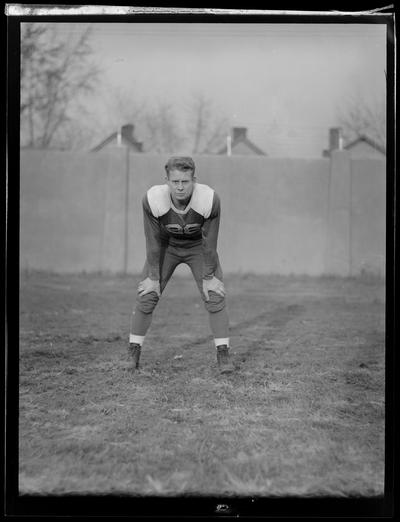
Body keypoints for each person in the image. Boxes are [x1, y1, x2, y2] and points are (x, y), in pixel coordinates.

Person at [128, 156, 234, 374]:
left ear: (194, 180)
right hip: (166, 246)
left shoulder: (209, 199)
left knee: (215, 295)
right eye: (175, 182)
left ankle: (223, 354)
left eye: (185, 182)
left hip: (198, 247)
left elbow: (210, 241)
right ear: (166, 180)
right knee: (147, 294)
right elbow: (152, 240)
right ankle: (133, 351)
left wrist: (209, 277)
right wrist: (154, 277)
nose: (179, 187)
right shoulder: (153, 199)